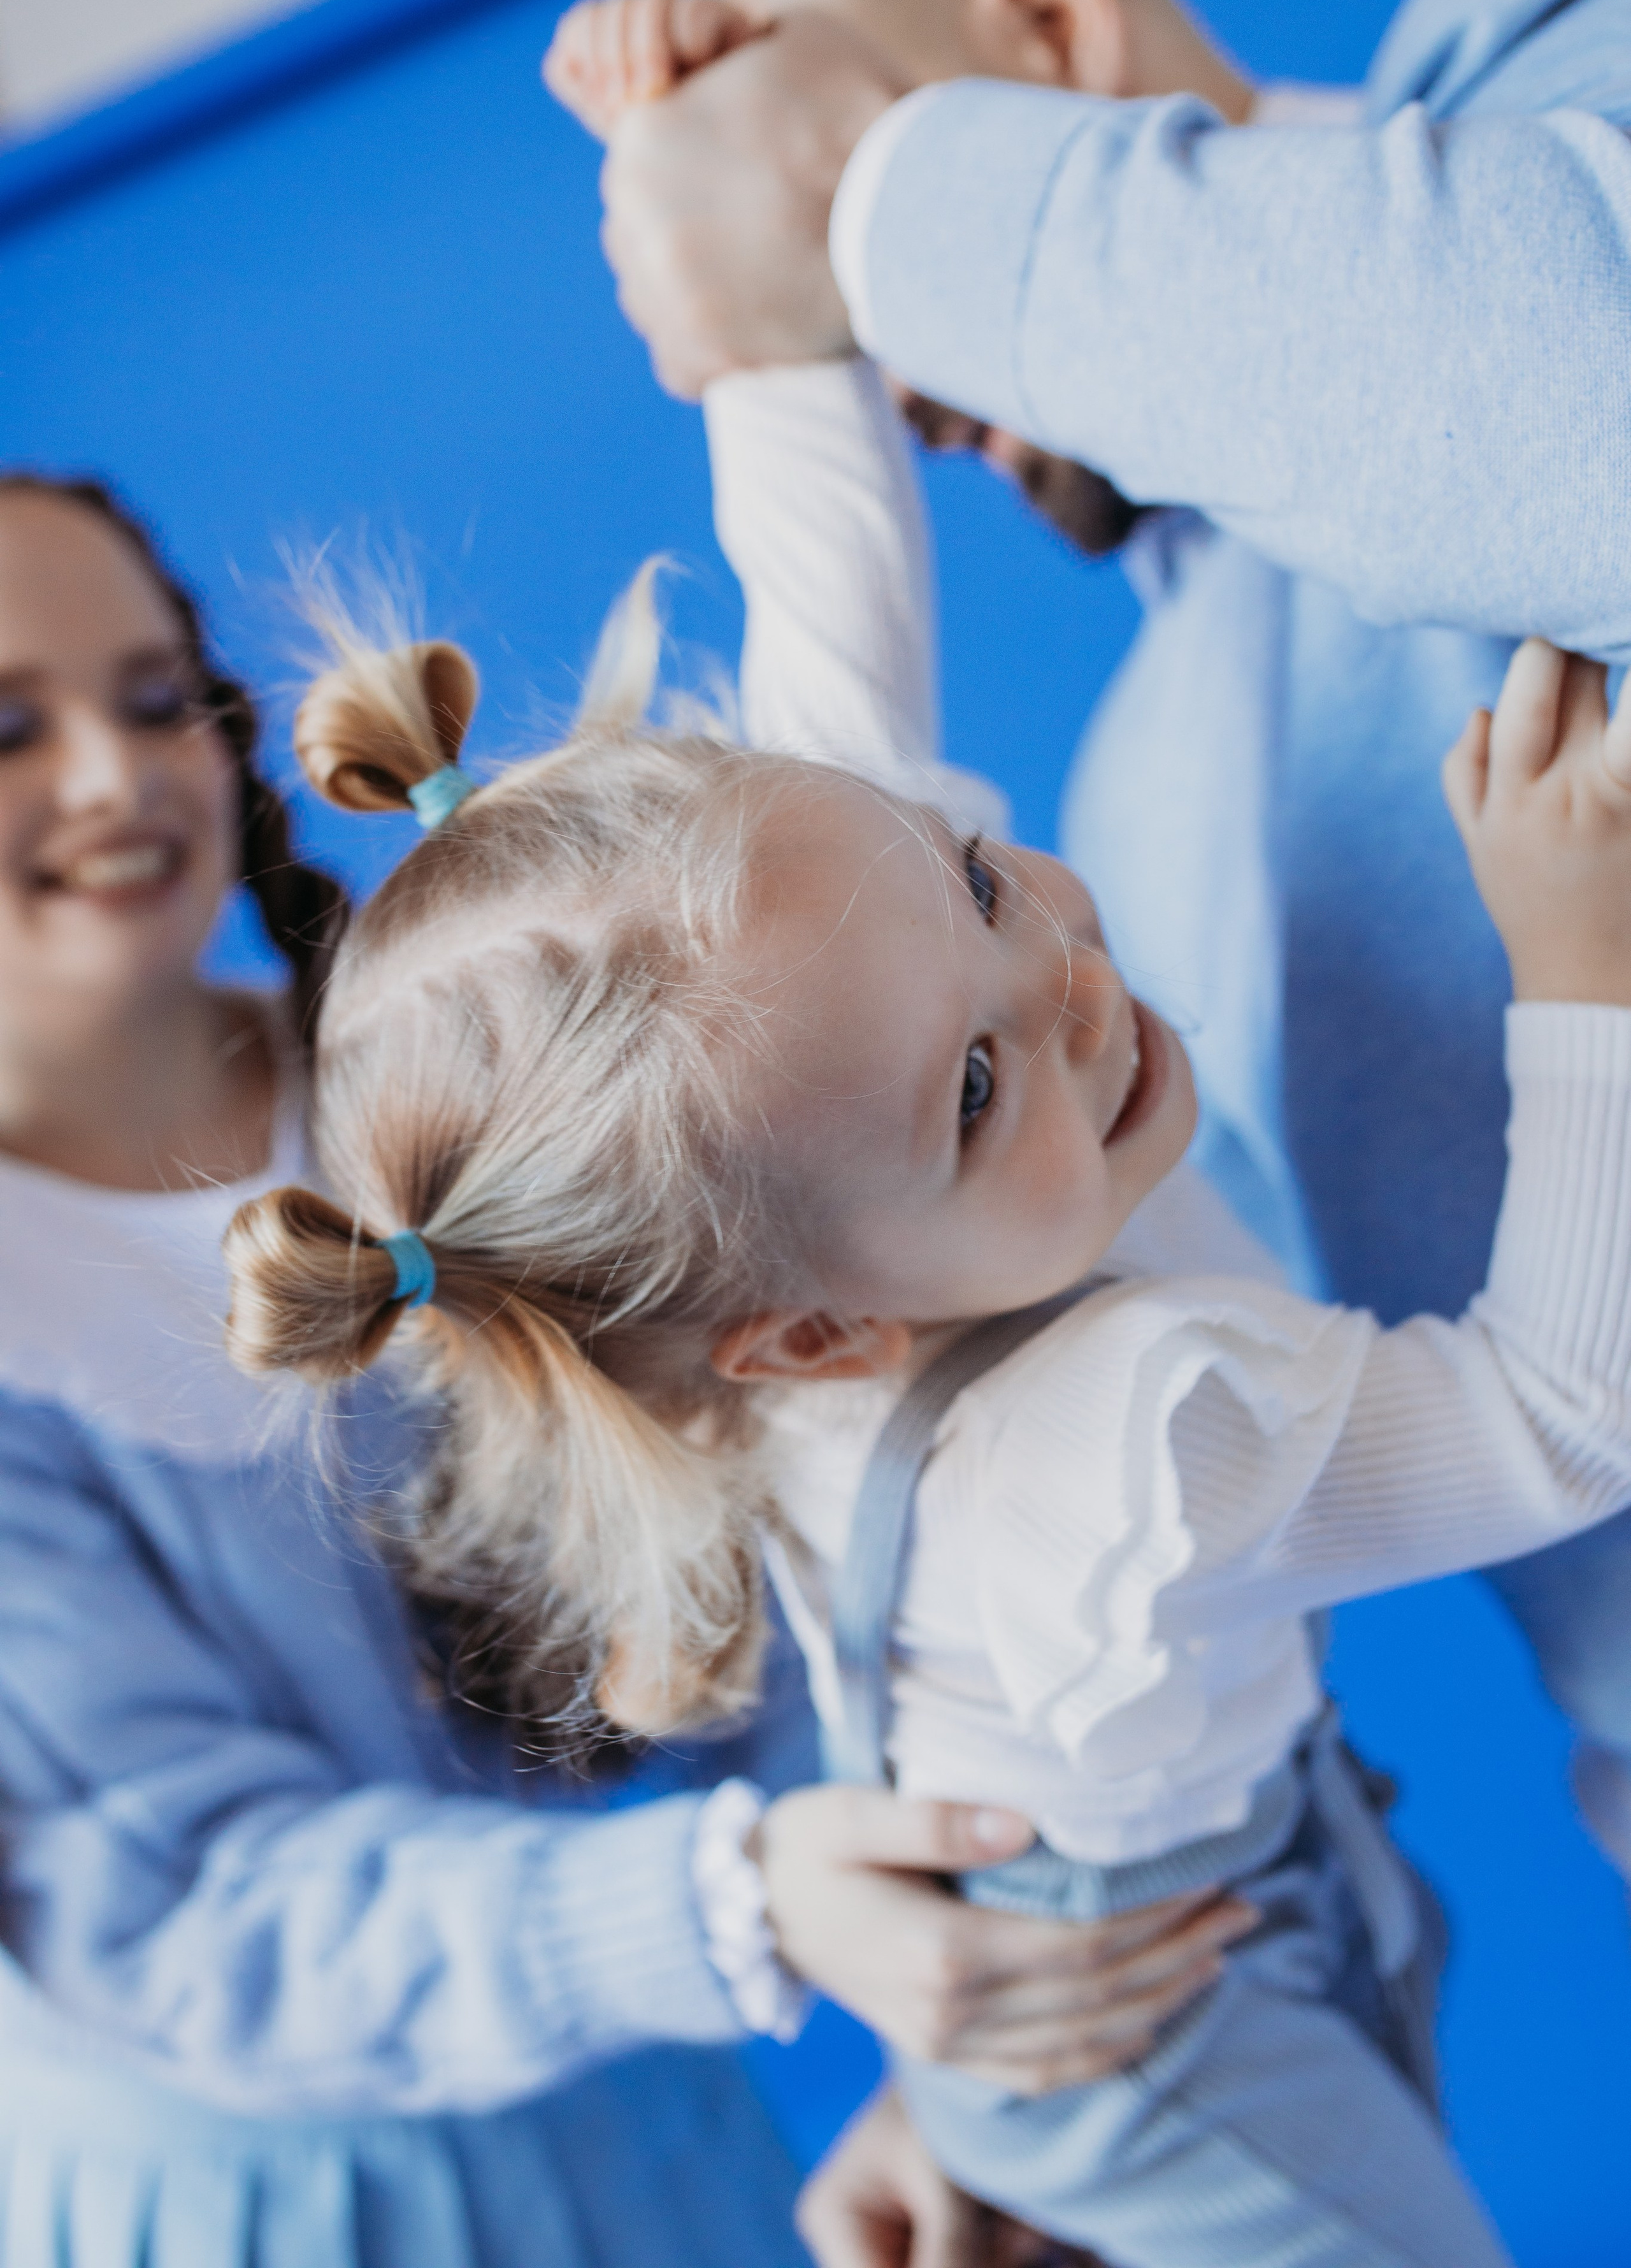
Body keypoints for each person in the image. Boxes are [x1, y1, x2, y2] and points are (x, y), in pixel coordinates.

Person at [221, 474, 1631, 2262]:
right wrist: (1584, 961)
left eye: (974, 876)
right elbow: (1567, 1425)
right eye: (973, 1084)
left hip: (1097, 1939)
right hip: (1164, 2029)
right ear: (815, 1337)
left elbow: (847, 654)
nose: (1063, 975)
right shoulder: (1120, 1443)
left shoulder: (788, 1188)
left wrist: (780, 333)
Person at [0, 475, 1244, 2267]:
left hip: (654, 2122)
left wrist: (935, 1997)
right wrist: (742, 1903)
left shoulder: (456, 1093)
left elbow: (802, 1471)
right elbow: (184, 1906)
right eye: (4, 728)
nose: (115, 781)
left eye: (149, 698)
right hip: (283, 2208)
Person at [579, 0, 1631, 1887]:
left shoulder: (1548, 28)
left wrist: (865, 197)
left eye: (866, 317)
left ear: (1045, 39)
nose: (907, 383)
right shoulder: (1135, 807)